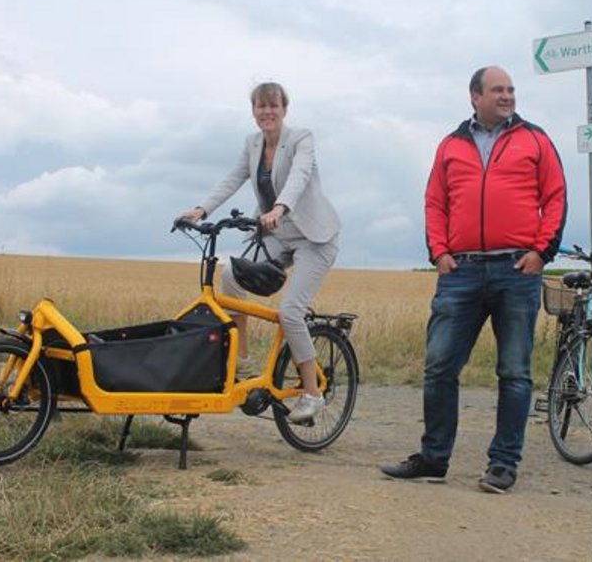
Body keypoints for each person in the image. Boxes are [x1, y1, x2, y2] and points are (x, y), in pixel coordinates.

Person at [381, 65, 567, 493]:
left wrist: (541, 252)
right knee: (439, 367)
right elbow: (435, 202)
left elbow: (555, 196)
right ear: (475, 97)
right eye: (498, 90)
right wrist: (440, 253)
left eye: (511, 90)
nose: (507, 96)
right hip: (460, 270)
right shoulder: (450, 145)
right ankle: (433, 459)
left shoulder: (535, 139)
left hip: (516, 270)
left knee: (514, 372)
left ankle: (503, 464)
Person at [179, 82, 341, 423]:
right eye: (260, 106)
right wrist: (201, 210)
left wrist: (280, 207)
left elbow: (298, 176)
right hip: (277, 234)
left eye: (273, 105)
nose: (267, 112)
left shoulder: (301, 139)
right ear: (253, 111)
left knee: (291, 312)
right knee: (229, 277)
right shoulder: (252, 145)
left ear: (284, 109)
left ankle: (312, 394)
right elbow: (233, 178)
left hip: (314, 237)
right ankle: (244, 358)